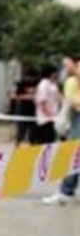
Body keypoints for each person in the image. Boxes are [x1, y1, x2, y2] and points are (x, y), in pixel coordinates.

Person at [44, 55, 80, 206]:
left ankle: (66, 191)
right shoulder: (71, 81)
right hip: (76, 116)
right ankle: (67, 190)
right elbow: (71, 101)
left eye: (68, 64)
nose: (66, 68)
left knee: (74, 154)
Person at [32, 65, 61, 145]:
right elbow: (42, 100)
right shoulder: (43, 84)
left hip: (53, 115)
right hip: (45, 117)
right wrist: (47, 112)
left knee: (51, 138)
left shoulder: (53, 84)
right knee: (45, 138)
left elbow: (58, 96)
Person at [11, 69, 38, 147]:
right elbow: (14, 96)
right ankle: (17, 147)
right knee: (21, 132)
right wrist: (27, 97)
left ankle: (33, 148)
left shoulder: (37, 84)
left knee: (33, 134)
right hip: (23, 111)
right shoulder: (20, 84)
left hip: (34, 112)